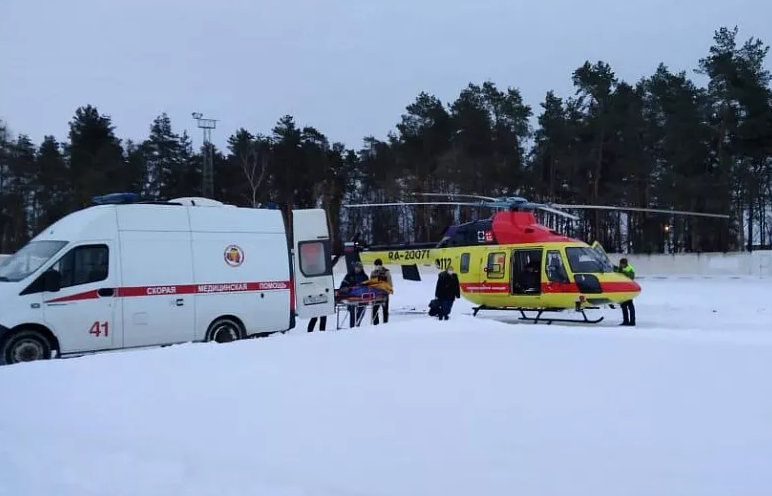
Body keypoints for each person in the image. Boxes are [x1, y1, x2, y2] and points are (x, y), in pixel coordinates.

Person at [340, 262, 369, 327]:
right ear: (354, 267)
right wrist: (344, 288)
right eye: (357, 267)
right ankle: (352, 327)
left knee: (362, 311)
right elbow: (343, 285)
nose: (358, 269)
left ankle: (357, 325)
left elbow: (368, 288)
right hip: (351, 298)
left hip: (362, 298)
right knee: (352, 311)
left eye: (359, 268)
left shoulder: (365, 277)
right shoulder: (349, 276)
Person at [370, 258, 393, 325]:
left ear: (381, 265)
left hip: (384, 294)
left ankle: (385, 324)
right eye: (376, 265)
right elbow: (370, 283)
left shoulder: (386, 272)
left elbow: (390, 283)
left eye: (378, 265)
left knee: (385, 311)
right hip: (376, 295)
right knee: (374, 311)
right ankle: (375, 324)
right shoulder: (373, 272)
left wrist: (387, 292)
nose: (377, 267)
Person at [614, 258, 636, 326]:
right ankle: (625, 321)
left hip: (629, 289)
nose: (620, 265)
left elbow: (630, 277)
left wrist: (622, 272)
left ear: (624, 263)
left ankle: (632, 322)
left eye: (621, 264)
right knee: (623, 306)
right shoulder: (620, 269)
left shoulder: (630, 268)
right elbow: (616, 273)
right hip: (623, 290)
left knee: (630, 306)